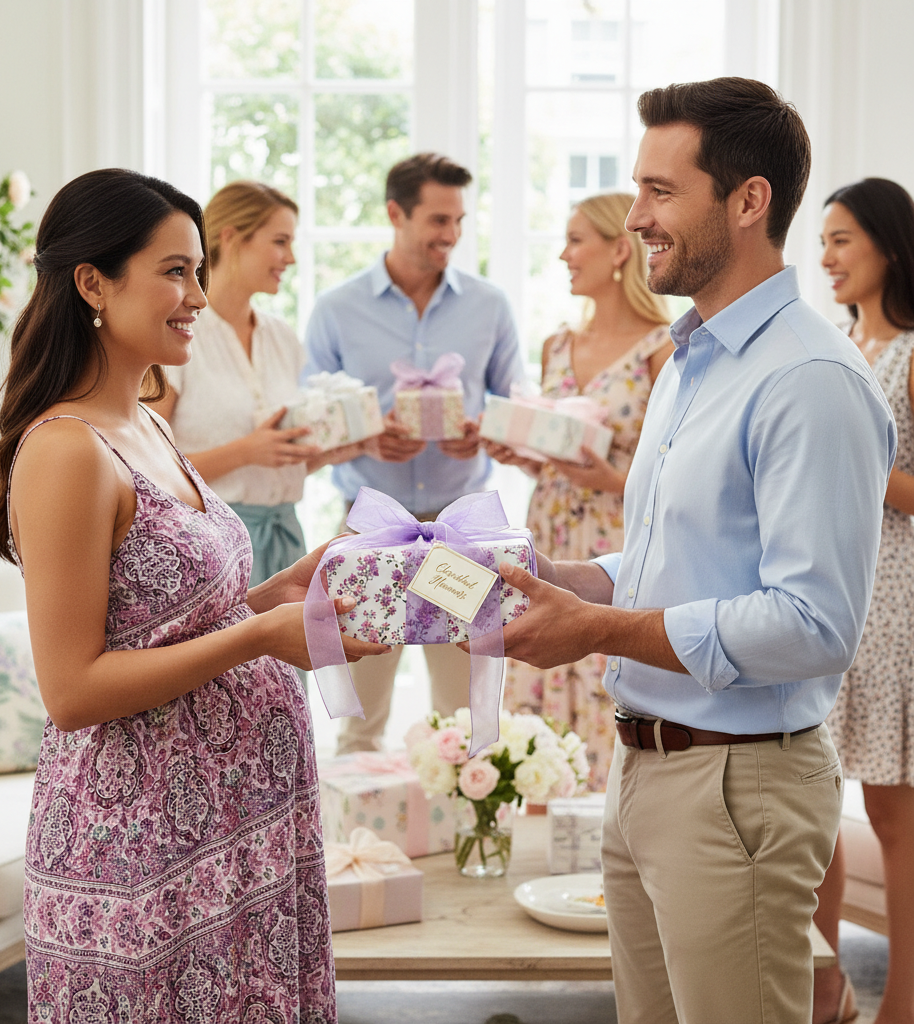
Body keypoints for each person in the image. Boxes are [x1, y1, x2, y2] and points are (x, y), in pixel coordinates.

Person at [462, 79, 897, 1024]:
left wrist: (600, 628)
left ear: (749, 202)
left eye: (661, 192)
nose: (636, 219)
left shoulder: (812, 380)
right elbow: (680, 557)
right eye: (635, 189)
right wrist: (571, 583)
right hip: (648, 771)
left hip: (736, 787)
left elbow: (816, 625)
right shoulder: (693, 359)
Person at [0, 168, 387, 1021]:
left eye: (198, 270)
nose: (198, 295)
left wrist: (293, 583)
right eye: (174, 271)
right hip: (142, 855)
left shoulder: (149, 421)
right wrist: (262, 637)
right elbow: (74, 688)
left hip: (240, 835)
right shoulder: (65, 449)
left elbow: (185, 619)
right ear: (93, 281)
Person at [303, 152, 524, 755]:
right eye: (437, 220)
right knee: (361, 708)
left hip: (458, 530)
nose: (451, 236)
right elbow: (308, 420)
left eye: (458, 221)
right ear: (395, 213)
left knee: (460, 708)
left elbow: (514, 409)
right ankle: (356, 848)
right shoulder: (336, 309)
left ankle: (462, 837)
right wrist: (365, 437)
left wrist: (481, 430)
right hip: (370, 526)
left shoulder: (490, 306)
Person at [488, 192, 672, 791]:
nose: (564, 254)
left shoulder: (664, 349)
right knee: (541, 677)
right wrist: (526, 455)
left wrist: (610, 480)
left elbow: (675, 472)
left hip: (617, 536)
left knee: (604, 675)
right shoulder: (556, 345)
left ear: (620, 250)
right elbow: (558, 453)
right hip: (552, 526)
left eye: (575, 240)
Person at [813, 177, 914, 1024]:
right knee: (817, 800)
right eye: (824, 240)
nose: (826, 256)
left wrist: (854, 470)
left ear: (888, 244)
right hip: (834, 597)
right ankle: (826, 989)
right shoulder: (841, 345)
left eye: (842, 238)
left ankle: (903, 1004)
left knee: (890, 812)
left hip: (897, 610)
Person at [154, 180, 362, 588]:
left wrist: (333, 453)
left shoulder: (282, 338)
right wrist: (245, 451)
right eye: (280, 241)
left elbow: (276, 463)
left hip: (284, 541)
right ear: (231, 237)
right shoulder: (177, 335)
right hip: (208, 545)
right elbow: (150, 469)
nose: (291, 257)